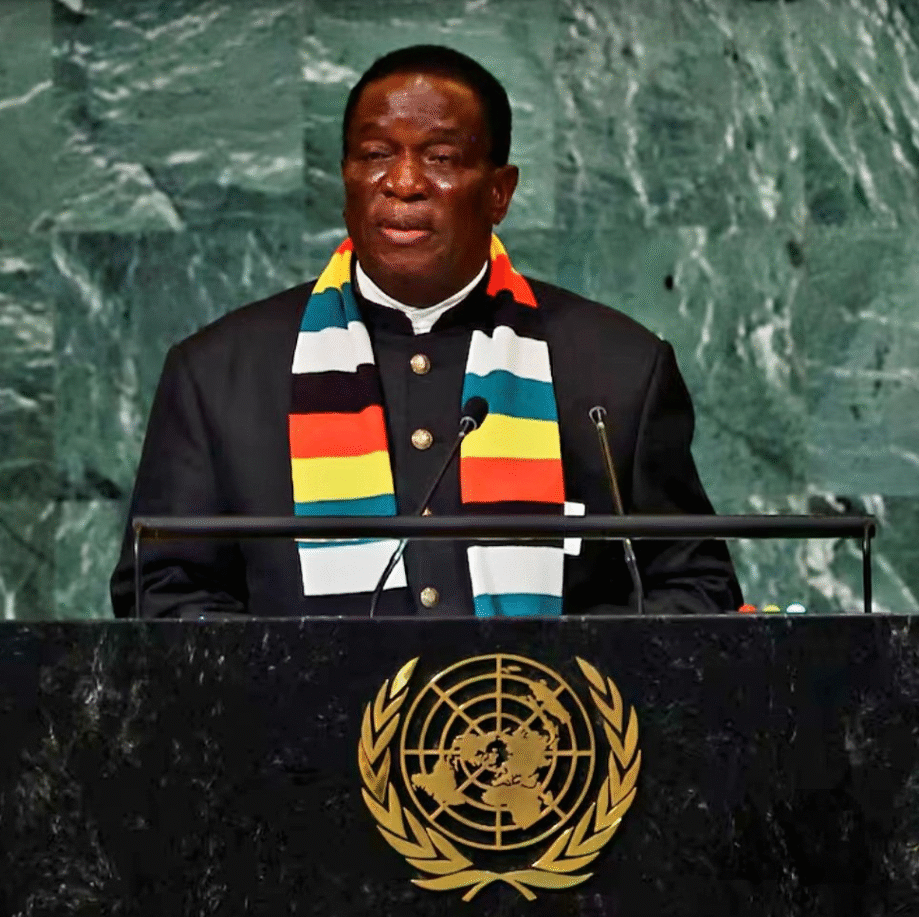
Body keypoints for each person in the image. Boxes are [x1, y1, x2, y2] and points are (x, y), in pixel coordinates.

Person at [110, 45, 742, 619]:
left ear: (499, 193)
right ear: (346, 179)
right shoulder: (219, 375)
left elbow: (694, 588)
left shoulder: (618, 369)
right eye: (375, 156)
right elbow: (164, 594)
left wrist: (570, 669)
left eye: (440, 158)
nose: (404, 183)